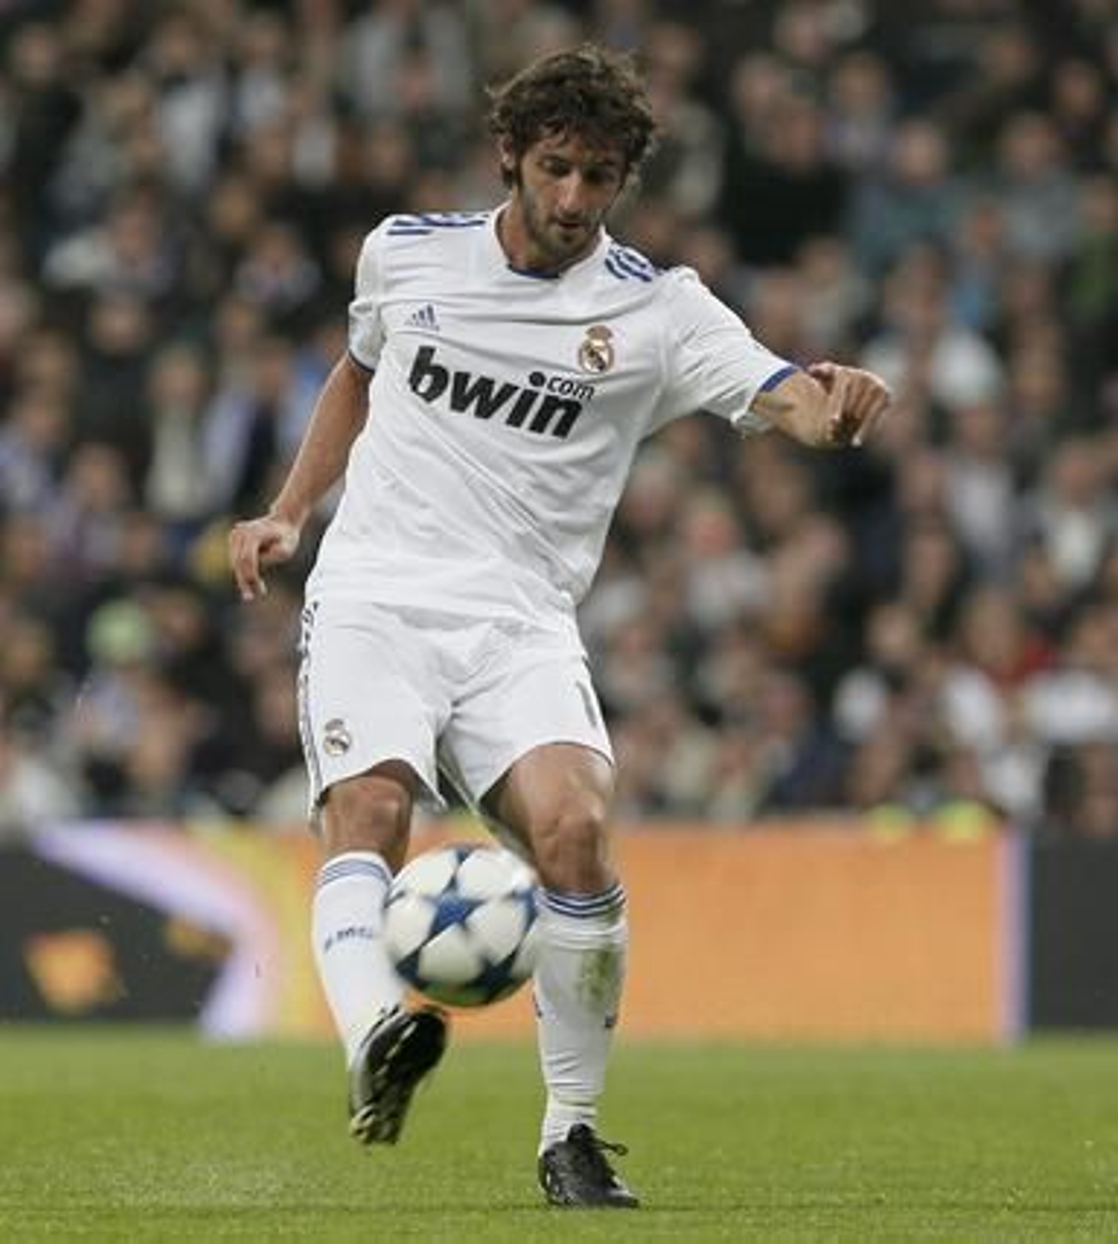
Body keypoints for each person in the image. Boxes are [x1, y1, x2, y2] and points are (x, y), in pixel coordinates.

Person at [228, 44, 891, 1210]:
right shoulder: (406, 252)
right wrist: (289, 512)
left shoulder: (656, 307)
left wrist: (832, 410)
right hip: (375, 590)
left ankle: (571, 1135)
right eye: (555, 170)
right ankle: (379, 1034)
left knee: (578, 835)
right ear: (511, 157)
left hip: (520, 619)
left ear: (625, 181)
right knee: (370, 810)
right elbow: (357, 373)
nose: (574, 201)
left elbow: (781, 392)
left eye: (598, 178)